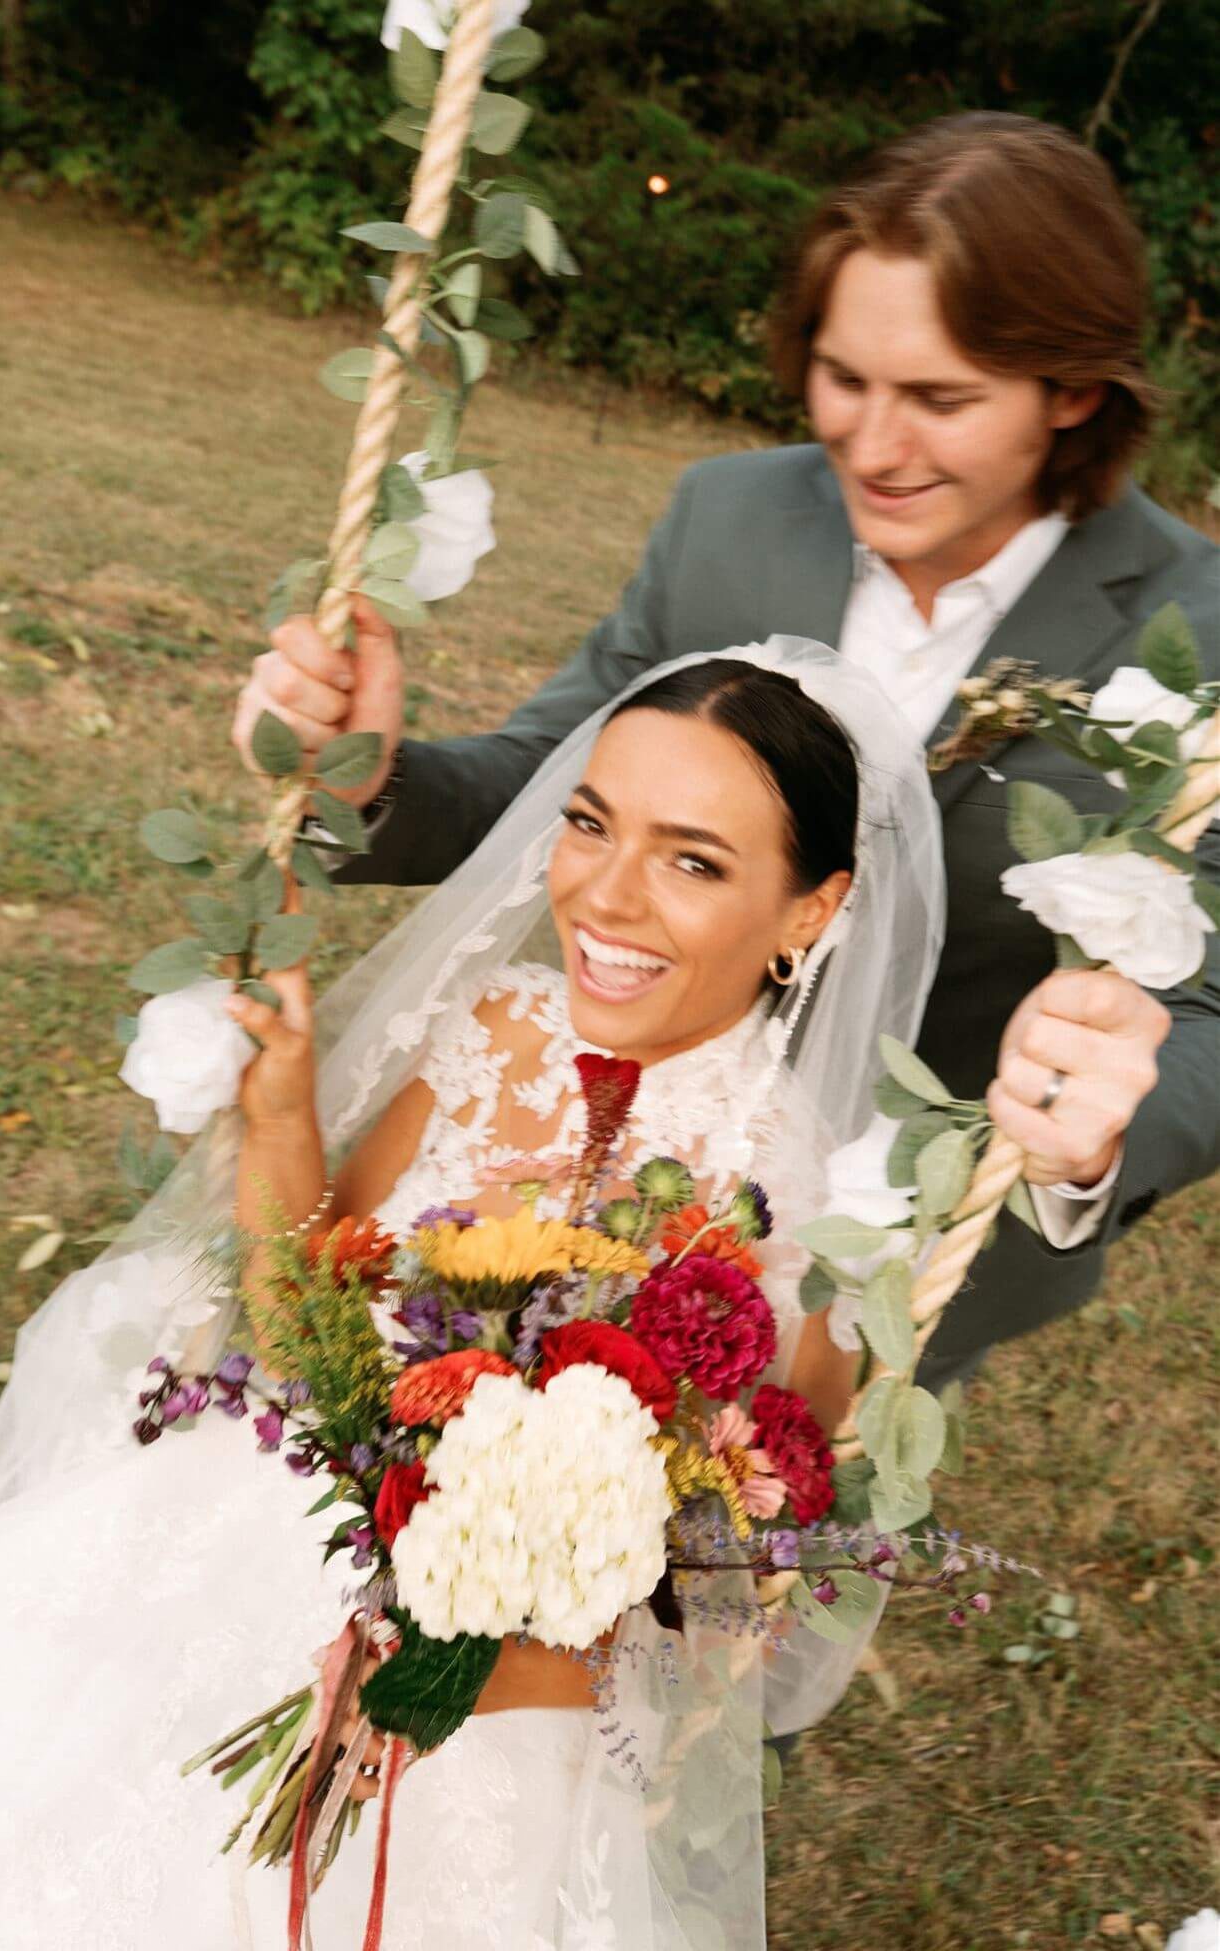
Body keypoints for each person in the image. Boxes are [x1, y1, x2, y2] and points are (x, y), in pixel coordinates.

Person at [0, 643, 944, 1949]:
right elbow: (296, 1318)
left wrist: (432, 1664)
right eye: (589, 824)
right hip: (245, 1514)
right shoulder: (493, 1025)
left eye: (692, 860)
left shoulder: (804, 1217)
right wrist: (277, 1112)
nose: (604, 893)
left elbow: (712, 1615)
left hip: (484, 1690)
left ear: (808, 911)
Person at [235, 113, 1220, 1394]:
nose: (874, 444)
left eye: (941, 399)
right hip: (613, 1167)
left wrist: (1091, 1139)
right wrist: (373, 777)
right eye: (844, 378)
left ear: (1073, 390)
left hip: (907, 1245)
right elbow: (552, 778)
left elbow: (1206, 1004)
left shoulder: (1194, 634)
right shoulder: (729, 516)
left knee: (755, 1565)